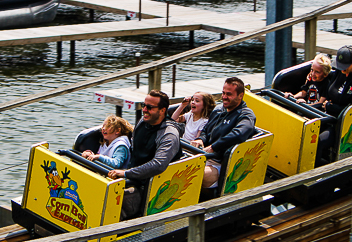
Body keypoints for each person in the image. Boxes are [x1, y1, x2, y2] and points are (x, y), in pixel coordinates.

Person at [107, 90, 183, 219]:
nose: (144, 110)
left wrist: (126, 173)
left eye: (150, 107)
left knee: (112, 200)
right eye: (144, 105)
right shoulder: (143, 122)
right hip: (131, 176)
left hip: (147, 185)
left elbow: (158, 165)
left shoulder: (168, 134)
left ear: (162, 110)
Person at [191, 77, 256, 190]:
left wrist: (213, 147)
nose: (224, 97)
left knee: (190, 174)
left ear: (240, 96)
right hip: (204, 156)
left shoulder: (246, 114)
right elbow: (206, 130)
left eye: (229, 94)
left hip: (220, 163)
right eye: (223, 93)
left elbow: (239, 134)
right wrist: (200, 139)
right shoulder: (218, 110)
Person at [316, 45, 352, 160]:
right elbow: (330, 88)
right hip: (327, 113)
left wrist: (331, 107)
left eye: (345, 67)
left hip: (342, 123)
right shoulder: (340, 71)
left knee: (319, 141)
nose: (342, 69)